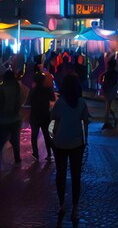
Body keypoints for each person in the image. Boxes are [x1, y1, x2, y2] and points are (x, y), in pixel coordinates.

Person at [50, 74, 90, 224]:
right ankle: (75, 208)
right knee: (76, 176)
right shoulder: (81, 103)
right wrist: (85, 141)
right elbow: (85, 123)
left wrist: (51, 138)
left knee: (60, 174)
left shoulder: (60, 103)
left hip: (60, 143)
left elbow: (52, 121)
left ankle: (61, 205)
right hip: (77, 143)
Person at [29, 72, 56, 161]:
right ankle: (49, 153)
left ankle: (36, 154)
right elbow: (53, 98)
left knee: (34, 135)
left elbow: (29, 101)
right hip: (45, 115)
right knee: (47, 135)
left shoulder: (33, 90)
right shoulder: (47, 89)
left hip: (34, 115)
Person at [0, 69, 24, 165]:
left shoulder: (1, 88)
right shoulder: (17, 87)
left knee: (1, 141)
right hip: (16, 118)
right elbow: (21, 100)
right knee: (15, 139)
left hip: (3, 119)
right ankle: (17, 158)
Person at [100, 58, 118, 129]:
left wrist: (103, 84)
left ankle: (107, 121)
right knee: (109, 106)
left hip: (108, 91)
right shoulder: (115, 73)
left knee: (108, 106)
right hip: (112, 91)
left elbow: (101, 79)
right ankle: (112, 119)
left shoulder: (107, 73)